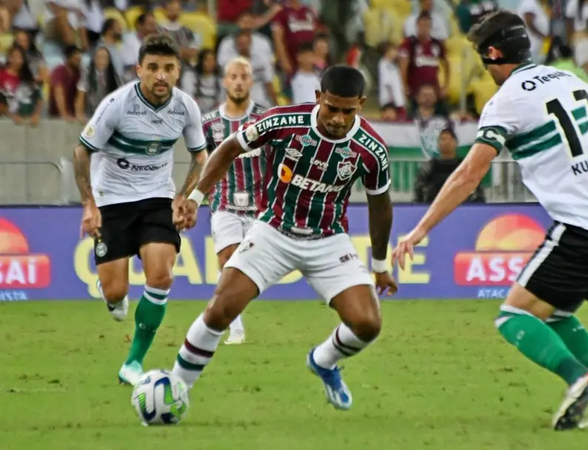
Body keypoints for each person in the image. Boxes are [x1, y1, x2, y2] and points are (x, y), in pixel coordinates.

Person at [393, 10, 588, 430]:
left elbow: (469, 175)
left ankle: (580, 379)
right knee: (557, 314)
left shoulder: (505, 101)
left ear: (494, 54)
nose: (484, 69)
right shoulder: (566, 77)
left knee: (513, 317)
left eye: (483, 59)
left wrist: (419, 230)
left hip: (586, 226)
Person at [171, 65, 398, 412]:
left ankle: (323, 361)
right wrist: (196, 197)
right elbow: (229, 148)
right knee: (220, 311)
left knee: (368, 324)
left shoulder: (371, 149)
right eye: (331, 108)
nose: (338, 118)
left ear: (361, 104)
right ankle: (174, 390)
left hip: (329, 240)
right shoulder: (282, 122)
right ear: (318, 98)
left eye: (347, 110)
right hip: (274, 232)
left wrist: (380, 266)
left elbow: (380, 206)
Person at [72, 35, 208, 385]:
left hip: (156, 200)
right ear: (139, 70)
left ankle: (133, 363)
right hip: (112, 201)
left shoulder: (186, 107)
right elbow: (81, 152)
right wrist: (89, 204)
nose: (160, 76)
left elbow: (199, 157)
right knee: (116, 293)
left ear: (177, 71)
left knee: (161, 274)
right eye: (152, 68)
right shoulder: (116, 104)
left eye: (168, 69)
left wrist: (184, 196)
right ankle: (113, 298)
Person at [201, 57, 270, 345]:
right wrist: (194, 197)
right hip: (223, 202)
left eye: (244, 76)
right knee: (227, 261)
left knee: (251, 268)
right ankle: (235, 328)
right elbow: (203, 164)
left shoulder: (267, 118)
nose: (239, 81)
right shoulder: (210, 124)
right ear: (225, 81)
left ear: (251, 81)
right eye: (233, 76)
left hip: (260, 205)